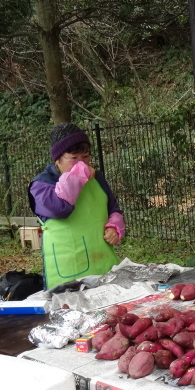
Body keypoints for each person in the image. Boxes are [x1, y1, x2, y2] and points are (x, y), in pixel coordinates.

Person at [28, 123, 125, 289]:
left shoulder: (97, 178)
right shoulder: (41, 185)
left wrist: (115, 227)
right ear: (57, 159)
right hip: (66, 273)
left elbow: (114, 209)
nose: (82, 163)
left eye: (86, 157)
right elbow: (60, 207)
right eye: (74, 159)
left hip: (102, 265)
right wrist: (80, 174)